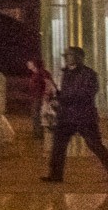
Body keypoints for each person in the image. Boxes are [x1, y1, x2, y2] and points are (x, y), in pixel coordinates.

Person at [44, 46, 108, 183]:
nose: (66, 58)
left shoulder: (89, 74)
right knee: (58, 145)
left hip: (84, 116)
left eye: (70, 55)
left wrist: (63, 99)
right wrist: (55, 96)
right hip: (66, 116)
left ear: (79, 57)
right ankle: (55, 175)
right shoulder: (66, 73)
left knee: (95, 145)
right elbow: (66, 94)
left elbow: (86, 95)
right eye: (66, 55)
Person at [27, 58, 55, 139]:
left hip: (40, 97)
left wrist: (46, 95)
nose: (28, 64)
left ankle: (39, 134)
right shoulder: (34, 73)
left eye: (30, 63)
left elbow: (48, 83)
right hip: (36, 97)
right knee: (35, 115)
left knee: (38, 115)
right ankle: (37, 133)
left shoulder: (42, 72)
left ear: (35, 64)